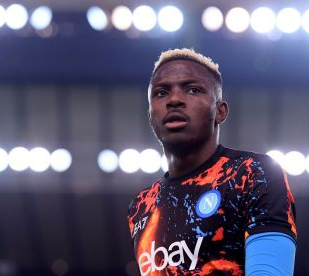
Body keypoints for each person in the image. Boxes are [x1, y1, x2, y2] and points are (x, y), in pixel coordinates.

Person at [127, 48, 297, 276]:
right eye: (161, 93)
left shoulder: (252, 173)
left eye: (193, 90)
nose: (174, 100)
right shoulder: (141, 206)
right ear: (150, 116)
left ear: (220, 111)